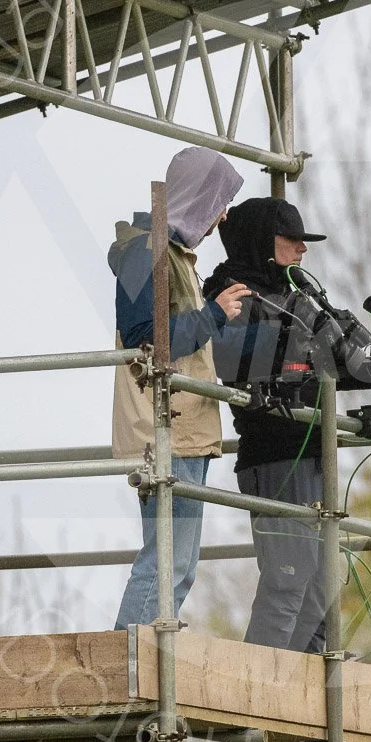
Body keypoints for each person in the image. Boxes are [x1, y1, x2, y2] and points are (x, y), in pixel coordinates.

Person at [109, 146, 250, 630]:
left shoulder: (171, 256)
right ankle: (127, 662)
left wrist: (216, 317)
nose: (223, 215)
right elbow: (145, 340)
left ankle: (146, 660)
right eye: (220, 200)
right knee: (165, 563)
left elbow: (174, 336)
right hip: (165, 428)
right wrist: (214, 314)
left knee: (178, 567)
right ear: (199, 196)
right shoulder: (145, 252)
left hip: (182, 426)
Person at [203, 197, 330, 653]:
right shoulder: (229, 294)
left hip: (314, 450)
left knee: (321, 584)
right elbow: (238, 360)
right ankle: (256, 682)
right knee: (288, 578)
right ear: (262, 242)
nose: (302, 249)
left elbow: (339, 357)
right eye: (291, 239)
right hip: (275, 454)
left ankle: (311, 676)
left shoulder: (300, 296)